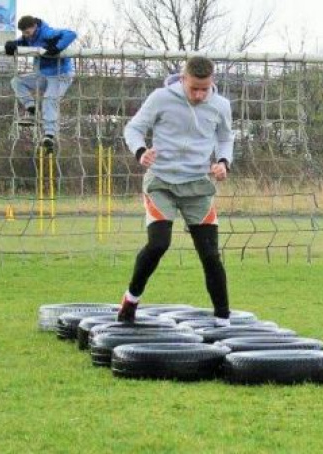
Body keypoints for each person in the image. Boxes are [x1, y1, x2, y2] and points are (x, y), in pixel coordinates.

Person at [117, 56, 234, 326]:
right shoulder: (161, 98)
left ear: (212, 82)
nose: (200, 95)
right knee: (159, 244)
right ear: (183, 79)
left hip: (197, 186)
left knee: (210, 254)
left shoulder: (221, 105)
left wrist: (223, 162)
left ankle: (223, 319)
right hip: (161, 183)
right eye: (194, 88)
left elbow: (226, 138)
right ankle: (131, 299)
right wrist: (141, 151)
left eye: (205, 89)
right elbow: (133, 128)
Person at [4, 15, 77, 153]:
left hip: (61, 74)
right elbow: (21, 42)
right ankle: (32, 110)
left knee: (49, 98)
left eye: (28, 32)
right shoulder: (28, 38)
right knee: (17, 81)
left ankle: (49, 135)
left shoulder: (47, 33)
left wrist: (57, 47)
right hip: (44, 74)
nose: (26, 35)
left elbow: (71, 34)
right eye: (24, 33)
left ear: (34, 27)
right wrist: (11, 44)